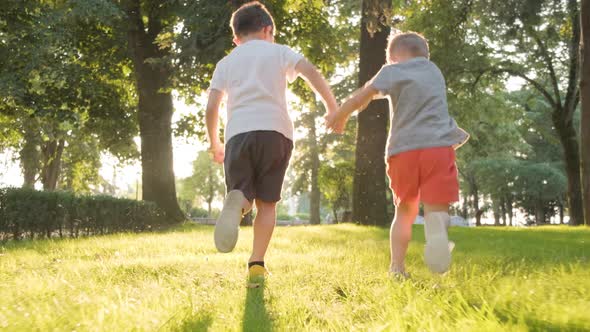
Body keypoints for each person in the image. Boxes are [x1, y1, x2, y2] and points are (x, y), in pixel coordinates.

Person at [205, 1, 338, 280]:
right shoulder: (279, 52)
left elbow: (212, 107)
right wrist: (332, 107)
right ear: (268, 30)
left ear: (236, 38)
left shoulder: (226, 62)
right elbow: (310, 71)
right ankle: (257, 264)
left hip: (238, 134)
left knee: (241, 192)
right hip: (276, 133)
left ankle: (237, 201)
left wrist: (215, 142)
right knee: (268, 203)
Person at [327, 32, 468, 277]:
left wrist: (341, 114)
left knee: (405, 211)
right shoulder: (434, 71)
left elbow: (363, 96)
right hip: (437, 148)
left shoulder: (390, 71)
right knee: (437, 209)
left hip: (403, 152)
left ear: (392, 57)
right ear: (425, 55)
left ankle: (397, 268)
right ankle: (436, 229)